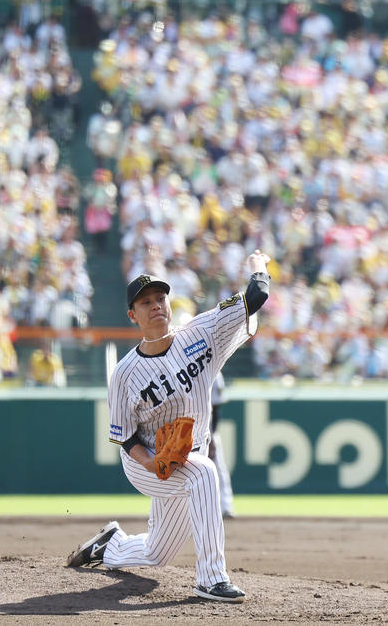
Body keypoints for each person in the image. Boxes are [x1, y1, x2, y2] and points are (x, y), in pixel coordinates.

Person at [68, 249, 271, 603]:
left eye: (160, 297)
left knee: (157, 554)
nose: (156, 305)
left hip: (185, 457)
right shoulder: (125, 374)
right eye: (145, 302)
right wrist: (150, 462)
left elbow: (256, 296)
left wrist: (259, 266)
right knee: (205, 472)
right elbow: (125, 436)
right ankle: (211, 578)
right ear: (133, 315)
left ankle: (109, 545)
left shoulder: (202, 333)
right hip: (145, 462)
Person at [209, 371, 235, 519]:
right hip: (183, 429)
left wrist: (212, 435)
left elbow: (216, 408)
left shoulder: (215, 373)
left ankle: (225, 507)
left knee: (218, 469)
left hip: (207, 429)